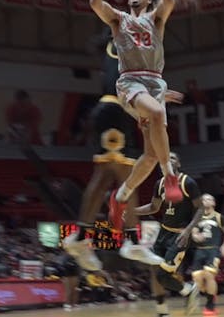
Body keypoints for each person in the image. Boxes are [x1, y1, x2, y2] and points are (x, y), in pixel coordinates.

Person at [89, 0, 183, 233]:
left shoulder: (157, 19)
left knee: (151, 154)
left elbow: (170, 1)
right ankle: (170, 178)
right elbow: (94, 2)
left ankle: (120, 198)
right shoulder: (119, 20)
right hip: (130, 83)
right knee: (156, 114)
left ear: (148, 0)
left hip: (154, 84)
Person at [63, 30, 171, 271]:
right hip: (113, 109)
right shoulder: (120, 42)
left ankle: (81, 237)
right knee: (125, 176)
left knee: (106, 177)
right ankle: (129, 241)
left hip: (117, 113)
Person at [129, 152, 202, 317]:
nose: (168, 160)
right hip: (163, 233)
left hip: (179, 235)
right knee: (155, 270)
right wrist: (132, 212)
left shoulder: (187, 182)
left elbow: (200, 209)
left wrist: (189, 231)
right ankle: (162, 311)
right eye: (165, 158)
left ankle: (189, 290)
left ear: (179, 163)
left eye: (173, 158)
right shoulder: (159, 183)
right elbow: (154, 207)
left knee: (163, 275)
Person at [190, 194, 224, 317]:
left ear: (213, 203)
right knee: (198, 280)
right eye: (203, 199)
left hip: (213, 250)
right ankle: (211, 295)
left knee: (209, 275)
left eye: (209, 199)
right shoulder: (197, 217)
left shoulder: (219, 217)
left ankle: (210, 306)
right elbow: (194, 233)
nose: (206, 201)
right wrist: (196, 237)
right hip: (200, 250)